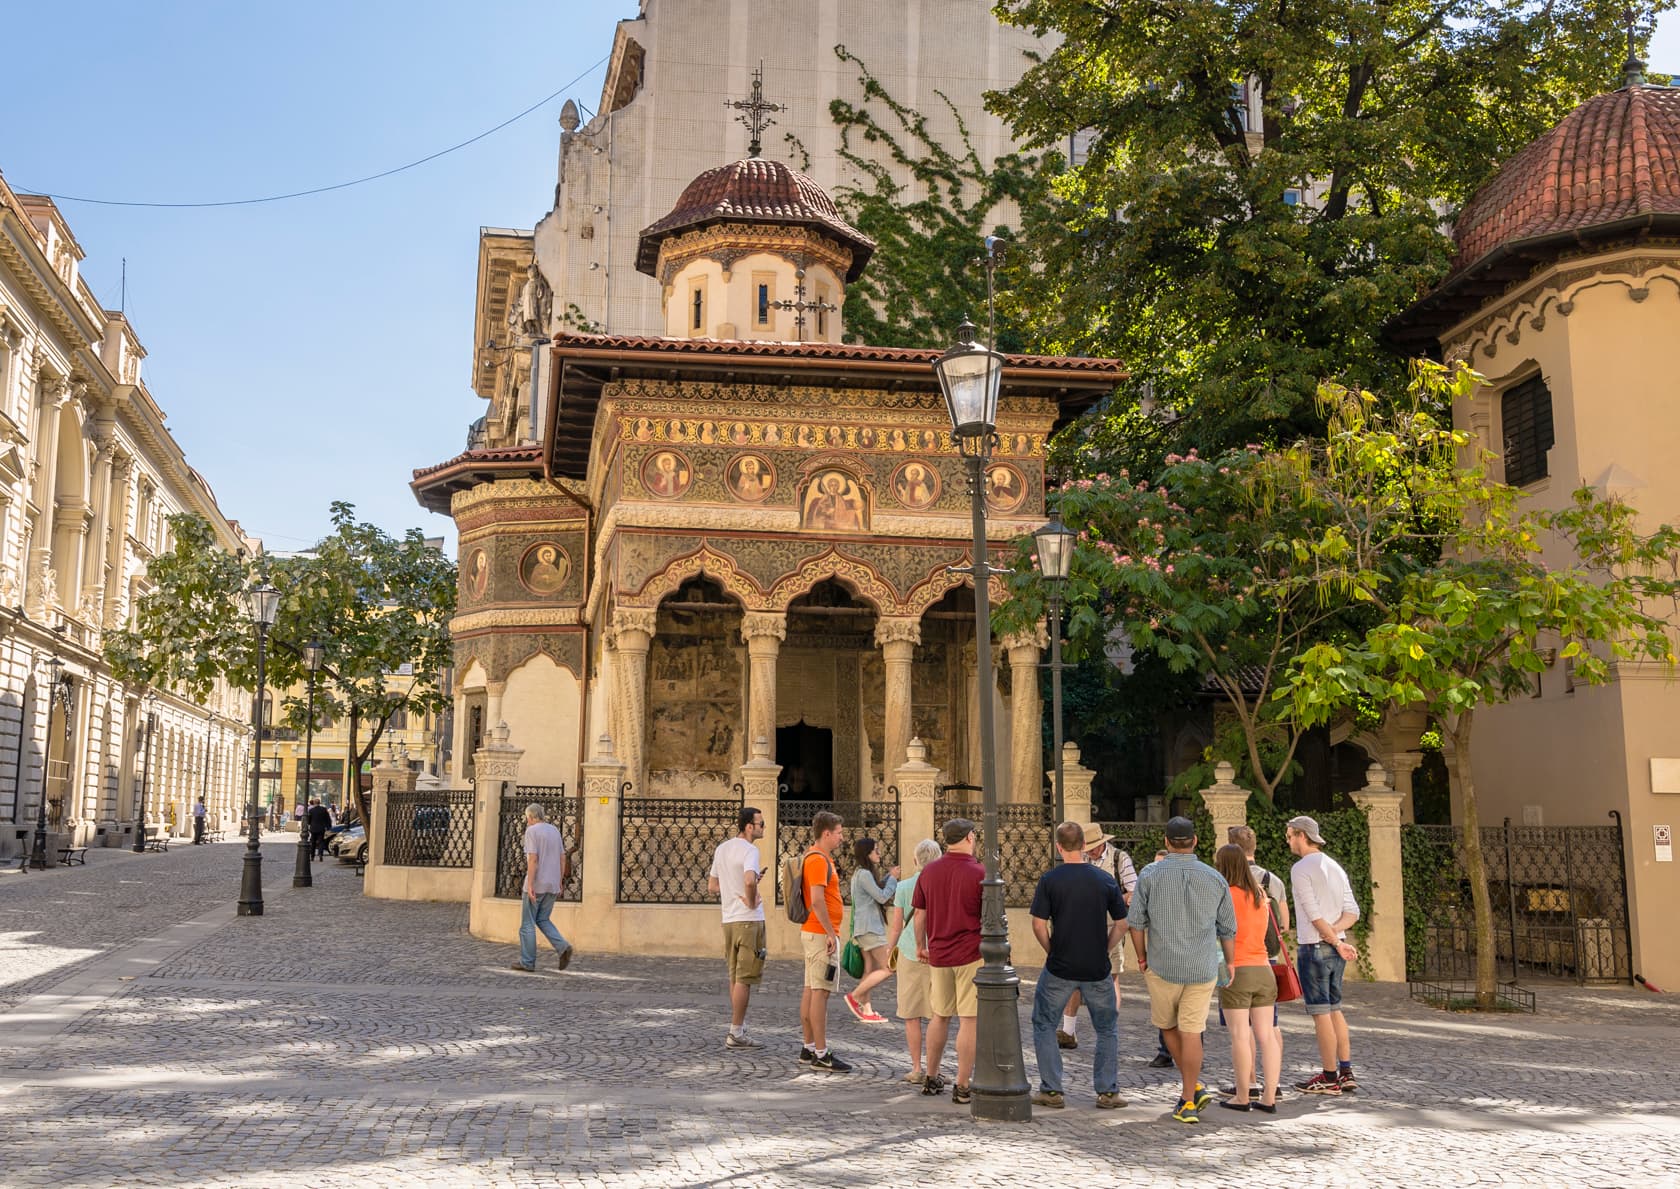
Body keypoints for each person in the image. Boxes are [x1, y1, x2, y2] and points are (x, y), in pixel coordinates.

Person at [1129, 816, 1236, 1125]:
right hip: (1202, 966)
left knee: (1167, 1025)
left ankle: (1191, 1093)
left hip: (1162, 964)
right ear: (1195, 841)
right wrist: (1229, 962)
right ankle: (1190, 1095)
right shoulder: (1214, 878)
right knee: (1192, 1032)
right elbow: (1228, 928)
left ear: (1166, 841)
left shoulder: (1150, 874)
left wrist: (1141, 957)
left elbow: (1136, 922)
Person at [1029, 821, 1129, 1110]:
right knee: (1106, 1029)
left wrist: (1051, 949)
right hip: (1097, 967)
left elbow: (1038, 925)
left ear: (1058, 847)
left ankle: (1051, 1090)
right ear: (1084, 846)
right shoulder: (1104, 880)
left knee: (1044, 1023)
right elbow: (1122, 923)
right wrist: (1106, 948)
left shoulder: (1050, 880)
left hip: (1060, 966)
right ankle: (1107, 1091)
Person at [913, 818, 985, 1106]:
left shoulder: (929, 872)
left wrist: (921, 945)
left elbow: (920, 914)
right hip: (970, 953)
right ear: (969, 838)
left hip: (939, 953)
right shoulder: (979, 872)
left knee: (939, 1016)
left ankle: (931, 1077)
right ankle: (963, 1085)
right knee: (969, 1019)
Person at [1287, 815, 1361, 1095]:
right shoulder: (1335, 866)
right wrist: (1337, 937)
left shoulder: (1301, 868)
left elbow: (1312, 913)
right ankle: (1346, 1071)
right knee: (1335, 1009)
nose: (1288, 841)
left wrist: (1330, 937)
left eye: (1290, 835)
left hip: (1315, 947)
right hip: (1334, 946)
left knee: (1321, 1014)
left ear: (1302, 835)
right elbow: (1352, 912)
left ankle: (1329, 1077)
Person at [1214, 843, 1282, 1114]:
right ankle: (1269, 1097)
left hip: (1236, 969)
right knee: (1267, 1036)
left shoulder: (1224, 895)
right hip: (1264, 969)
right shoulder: (1260, 894)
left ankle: (1243, 1095)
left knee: (1240, 1036)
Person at [1057, 825, 1139, 1049]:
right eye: (1088, 848)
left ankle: (1107, 1031)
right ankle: (1068, 1031)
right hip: (1081, 927)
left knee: (1109, 978)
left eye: (1094, 848)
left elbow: (1134, 892)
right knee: (1074, 980)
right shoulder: (1080, 859)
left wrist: (1111, 897)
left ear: (1103, 843)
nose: (1091, 852)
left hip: (1111, 926)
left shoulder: (1119, 859)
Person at [888, 838, 947, 1087]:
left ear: (915, 860)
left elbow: (897, 925)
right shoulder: (943, 885)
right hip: (938, 954)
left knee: (912, 1015)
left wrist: (890, 950)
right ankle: (935, 1068)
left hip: (910, 952)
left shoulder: (903, 887)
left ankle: (916, 1068)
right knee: (938, 1013)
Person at [707, 806, 766, 1049]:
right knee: (745, 978)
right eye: (761, 824)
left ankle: (737, 1027)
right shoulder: (750, 850)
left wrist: (735, 889)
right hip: (748, 919)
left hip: (729, 920)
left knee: (734, 976)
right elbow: (749, 881)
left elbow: (712, 886)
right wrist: (751, 900)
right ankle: (736, 1031)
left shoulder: (722, 848)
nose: (763, 828)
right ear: (749, 827)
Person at [798, 811, 851, 1072]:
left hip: (814, 932)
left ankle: (809, 1048)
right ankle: (821, 1053)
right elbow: (818, 900)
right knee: (820, 993)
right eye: (839, 833)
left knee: (812, 989)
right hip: (821, 934)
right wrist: (831, 933)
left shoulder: (816, 857)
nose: (842, 838)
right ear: (827, 833)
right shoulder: (818, 860)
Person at [510, 803, 574, 973]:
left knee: (527, 924)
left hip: (537, 883)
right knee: (543, 919)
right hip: (552, 883)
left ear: (531, 817)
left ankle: (527, 962)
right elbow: (562, 857)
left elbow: (533, 859)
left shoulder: (532, 831)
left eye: (527, 818)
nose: (527, 821)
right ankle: (563, 946)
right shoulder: (554, 830)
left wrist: (530, 884)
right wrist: (560, 881)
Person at [844, 837, 898, 1023]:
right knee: (888, 967)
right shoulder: (864, 874)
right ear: (867, 853)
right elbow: (882, 897)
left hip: (863, 928)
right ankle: (855, 996)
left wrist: (889, 877)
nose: (879, 853)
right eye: (876, 850)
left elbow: (873, 890)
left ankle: (867, 1011)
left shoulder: (860, 874)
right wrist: (893, 880)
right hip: (870, 929)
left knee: (870, 969)